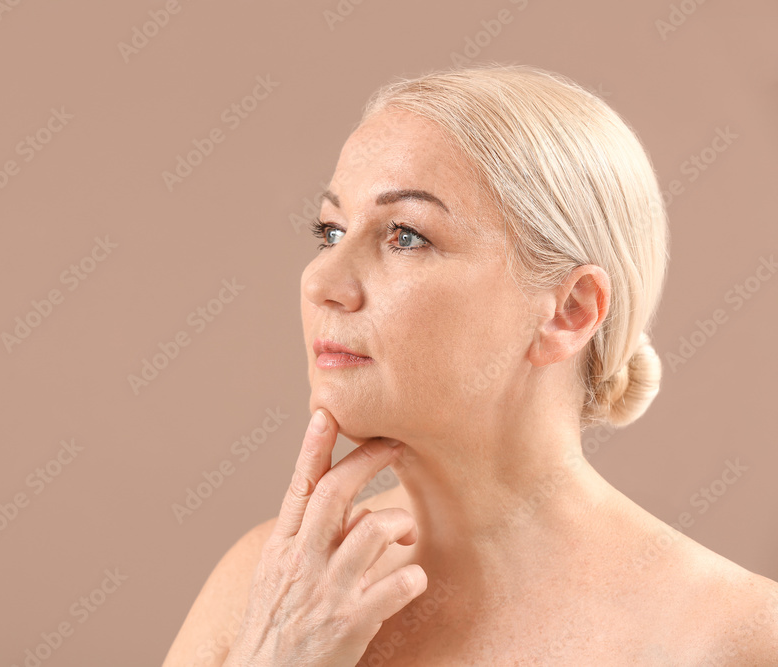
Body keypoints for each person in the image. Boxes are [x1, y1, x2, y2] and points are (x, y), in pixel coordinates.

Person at [163, 64, 778, 665]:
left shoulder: (738, 639)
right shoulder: (270, 585)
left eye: (405, 234)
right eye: (330, 230)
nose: (322, 279)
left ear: (569, 311)